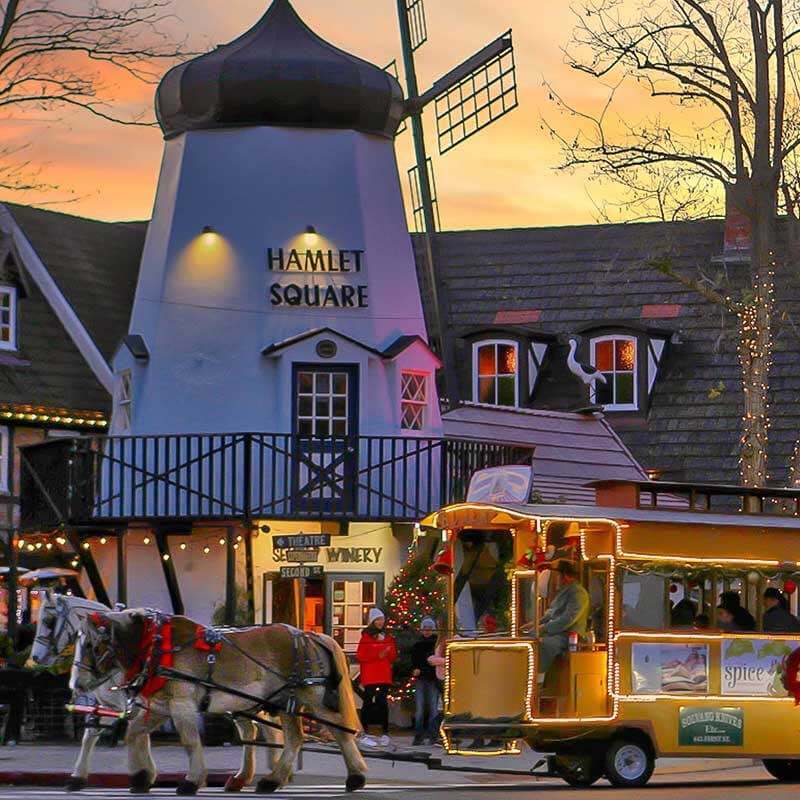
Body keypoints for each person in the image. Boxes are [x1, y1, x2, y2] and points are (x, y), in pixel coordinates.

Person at [523, 560, 590, 684]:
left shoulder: (578, 593)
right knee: (528, 637)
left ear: (565, 576)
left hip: (568, 635)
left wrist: (544, 627)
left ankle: (538, 681)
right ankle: (524, 675)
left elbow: (567, 619)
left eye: (557, 575)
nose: (555, 579)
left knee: (543, 644)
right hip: (555, 632)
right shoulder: (563, 591)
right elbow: (550, 614)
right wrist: (534, 624)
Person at [356, 608, 397, 748]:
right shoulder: (366, 637)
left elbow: (393, 656)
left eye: (382, 619)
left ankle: (385, 732)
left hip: (384, 674)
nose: (380, 622)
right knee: (367, 701)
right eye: (378, 620)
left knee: (382, 702)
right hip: (370, 674)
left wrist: (388, 651)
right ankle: (364, 731)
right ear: (372, 621)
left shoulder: (388, 637)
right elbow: (361, 656)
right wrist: (377, 654)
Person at [410, 617, 440, 746]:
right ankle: (419, 736)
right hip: (421, 679)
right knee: (420, 709)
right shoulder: (417, 644)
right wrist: (415, 669)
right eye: (425, 628)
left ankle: (433, 735)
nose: (427, 631)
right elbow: (414, 661)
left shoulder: (436, 644)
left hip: (433, 679)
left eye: (429, 629)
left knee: (434, 708)